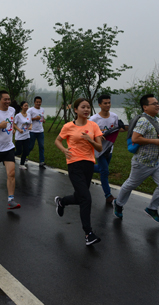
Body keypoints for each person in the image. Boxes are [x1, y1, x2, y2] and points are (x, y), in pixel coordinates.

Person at [113, 94, 159, 224]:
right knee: (131, 184)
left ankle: (152, 208)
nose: (157, 105)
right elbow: (135, 138)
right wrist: (155, 141)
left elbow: (151, 136)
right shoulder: (143, 121)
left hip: (157, 162)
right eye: (154, 104)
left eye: (157, 103)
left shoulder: (156, 119)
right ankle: (119, 203)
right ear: (145, 107)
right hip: (142, 162)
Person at [54, 98, 103, 246]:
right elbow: (57, 140)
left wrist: (91, 140)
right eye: (83, 107)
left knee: (81, 196)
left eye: (88, 107)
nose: (86, 110)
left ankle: (62, 201)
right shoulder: (68, 126)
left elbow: (100, 148)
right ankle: (88, 233)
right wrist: (64, 150)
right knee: (86, 198)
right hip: (74, 164)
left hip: (88, 164)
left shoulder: (94, 126)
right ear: (76, 110)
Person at [90, 94, 127, 204]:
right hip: (99, 149)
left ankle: (85, 167)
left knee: (102, 169)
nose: (107, 105)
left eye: (109, 103)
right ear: (100, 104)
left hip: (109, 149)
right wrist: (97, 136)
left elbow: (116, 130)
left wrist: (123, 128)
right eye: (105, 103)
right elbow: (89, 133)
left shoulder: (114, 116)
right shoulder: (94, 119)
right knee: (105, 172)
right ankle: (108, 196)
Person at [27, 96, 46, 168]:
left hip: (40, 131)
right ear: (34, 102)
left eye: (40, 102)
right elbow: (27, 119)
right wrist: (35, 118)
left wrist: (43, 120)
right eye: (37, 102)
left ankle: (42, 161)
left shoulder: (42, 109)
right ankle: (25, 156)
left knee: (41, 146)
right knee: (31, 146)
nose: (38, 103)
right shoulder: (30, 110)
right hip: (32, 131)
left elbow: (42, 116)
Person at [14, 101, 32, 170]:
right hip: (19, 136)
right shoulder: (18, 115)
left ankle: (21, 164)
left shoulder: (29, 115)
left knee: (26, 151)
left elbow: (30, 123)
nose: (26, 107)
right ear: (21, 107)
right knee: (19, 151)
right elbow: (14, 124)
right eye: (25, 106)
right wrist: (19, 130)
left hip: (26, 136)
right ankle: (9, 156)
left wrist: (30, 126)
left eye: (27, 106)